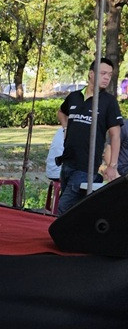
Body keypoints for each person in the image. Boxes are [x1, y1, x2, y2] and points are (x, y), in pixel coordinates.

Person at [56, 58, 122, 214]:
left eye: (110, 74)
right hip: (67, 163)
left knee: (63, 208)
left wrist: (112, 166)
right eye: (103, 73)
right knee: (73, 211)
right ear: (91, 74)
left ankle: (61, 237)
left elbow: (115, 135)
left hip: (86, 167)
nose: (107, 77)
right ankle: (72, 237)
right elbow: (61, 112)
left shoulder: (109, 102)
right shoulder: (74, 97)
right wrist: (66, 128)